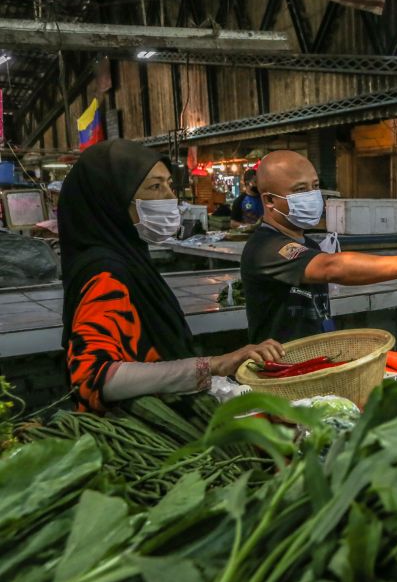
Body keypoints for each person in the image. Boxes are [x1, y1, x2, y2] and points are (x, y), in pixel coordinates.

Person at [59, 139, 285, 413]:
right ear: (112, 198)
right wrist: (213, 365)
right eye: (155, 186)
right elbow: (93, 377)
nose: (170, 197)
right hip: (132, 435)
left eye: (169, 184)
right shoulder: (104, 273)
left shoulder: (129, 257)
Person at [241, 150, 397, 343]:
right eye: (300, 190)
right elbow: (332, 267)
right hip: (280, 374)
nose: (312, 196)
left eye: (315, 186)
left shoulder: (308, 243)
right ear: (269, 200)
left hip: (312, 365)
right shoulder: (265, 247)